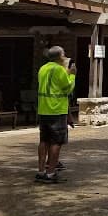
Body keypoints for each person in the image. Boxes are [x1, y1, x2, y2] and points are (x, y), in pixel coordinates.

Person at [35, 46, 76, 183]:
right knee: (56, 142)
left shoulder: (43, 69)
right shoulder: (59, 70)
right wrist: (72, 74)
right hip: (57, 109)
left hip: (43, 109)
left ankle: (41, 171)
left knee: (44, 140)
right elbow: (67, 88)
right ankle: (51, 173)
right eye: (63, 54)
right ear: (60, 56)